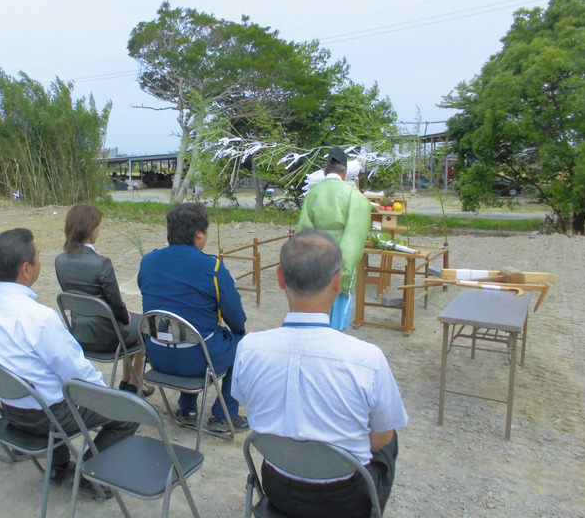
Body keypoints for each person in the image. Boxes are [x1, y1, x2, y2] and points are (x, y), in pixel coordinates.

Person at [232, 231, 408, 518]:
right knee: (389, 435)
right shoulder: (367, 358)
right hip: (345, 498)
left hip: (278, 483)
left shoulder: (249, 347)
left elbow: (246, 403)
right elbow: (381, 439)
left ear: (280, 277)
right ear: (338, 281)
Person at [0, 228, 138, 496]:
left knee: (47, 385)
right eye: (37, 256)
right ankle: (89, 476)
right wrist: (109, 396)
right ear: (26, 269)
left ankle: (58, 467)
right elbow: (78, 374)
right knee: (129, 413)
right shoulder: (39, 318)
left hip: (9, 409)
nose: (40, 261)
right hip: (47, 416)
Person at [137, 202, 249, 433]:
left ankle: (187, 408)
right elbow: (237, 319)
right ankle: (223, 414)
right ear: (199, 233)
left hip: (157, 354)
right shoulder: (213, 267)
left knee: (180, 328)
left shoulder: (148, 261)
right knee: (241, 341)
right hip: (198, 359)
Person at [54, 203, 153, 396]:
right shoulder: (101, 264)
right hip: (107, 337)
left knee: (131, 323)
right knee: (143, 325)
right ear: (91, 229)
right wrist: (126, 318)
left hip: (78, 332)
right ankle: (134, 383)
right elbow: (117, 305)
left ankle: (127, 380)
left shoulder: (60, 260)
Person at [296, 145, 372, 330]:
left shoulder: (312, 194)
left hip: (315, 258)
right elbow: (355, 236)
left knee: (315, 305)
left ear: (324, 171)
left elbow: (303, 231)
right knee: (338, 307)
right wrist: (345, 271)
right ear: (345, 172)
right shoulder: (354, 196)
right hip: (339, 256)